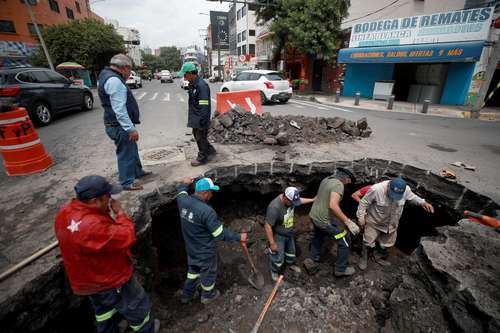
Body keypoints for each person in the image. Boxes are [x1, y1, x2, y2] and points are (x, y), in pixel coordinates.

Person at [54, 175, 158, 333]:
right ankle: (146, 329)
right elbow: (127, 236)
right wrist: (120, 214)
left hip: (88, 281)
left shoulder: (65, 213)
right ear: (96, 200)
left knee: (104, 312)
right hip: (111, 280)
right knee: (137, 307)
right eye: (107, 196)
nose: (110, 199)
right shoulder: (93, 226)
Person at [176, 177, 247, 304]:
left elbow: (181, 191)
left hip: (191, 248)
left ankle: (187, 295)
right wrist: (238, 237)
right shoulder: (207, 211)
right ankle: (208, 295)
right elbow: (219, 233)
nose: (212, 194)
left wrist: (184, 184)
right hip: (205, 251)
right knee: (208, 272)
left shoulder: (182, 200)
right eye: (211, 191)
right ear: (204, 192)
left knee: (193, 271)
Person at [356, 177, 434, 270]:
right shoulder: (376, 189)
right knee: (368, 242)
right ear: (388, 186)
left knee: (385, 244)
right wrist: (360, 217)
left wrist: (423, 202)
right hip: (374, 222)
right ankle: (364, 257)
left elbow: (413, 197)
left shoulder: (406, 190)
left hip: (391, 224)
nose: (394, 197)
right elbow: (364, 203)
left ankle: (377, 256)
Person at [98, 54, 151, 191]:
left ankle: (137, 172)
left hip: (115, 123)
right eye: (130, 70)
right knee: (126, 153)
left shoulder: (106, 75)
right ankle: (127, 182)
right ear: (125, 68)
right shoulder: (115, 81)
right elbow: (119, 109)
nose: (130, 74)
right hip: (119, 125)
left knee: (131, 149)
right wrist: (130, 129)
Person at [303, 168, 360, 277]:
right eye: (349, 181)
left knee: (318, 236)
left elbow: (320, 198)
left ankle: (312, 259)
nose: (348, 184)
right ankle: (340, 269)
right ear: (346, 179)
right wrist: (348, 222)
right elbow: (333, 205)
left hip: (314, 216)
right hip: (323, 221)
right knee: (344, 239)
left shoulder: (326, 179)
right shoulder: (339, 185)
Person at [265, 187, 315, 281]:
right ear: (285, 198)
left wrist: (313, 199)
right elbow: (268, 226)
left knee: (291, 252)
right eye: (292, 202)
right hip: (278, 235)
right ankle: (274, 271)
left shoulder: (291, 200)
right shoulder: (274, 207)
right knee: (278, 257)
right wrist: (272, 243)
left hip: (289, 233)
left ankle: (290, 264)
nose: (293, 204)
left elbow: (300, 200)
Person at [177, 62, 216, 166]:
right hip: (196, 117)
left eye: (185, 75)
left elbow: (204, 105)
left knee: (200, 137)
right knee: (198, 136)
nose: (184, 78)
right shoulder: (193, 84)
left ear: (190, 73)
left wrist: (202, 122)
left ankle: (202, 157)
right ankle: (211, 152)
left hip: (200, 118)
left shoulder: (201, 86)